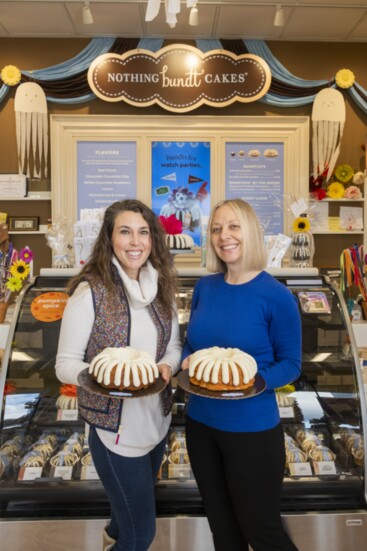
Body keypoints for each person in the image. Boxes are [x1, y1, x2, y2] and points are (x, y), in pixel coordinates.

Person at [55, 199, 182, 551]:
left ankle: (110, 538)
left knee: (124, 519)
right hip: (114, 434)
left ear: (153, 239)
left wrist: (166, 367)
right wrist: (113, 375)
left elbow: (173, 348)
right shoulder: (90, 292)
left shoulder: (162, 288)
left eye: (143, 232)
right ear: (109, 239)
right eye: (125, 232)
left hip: (156, 426)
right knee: (141, 535)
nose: (135, 241)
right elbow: (64, 363)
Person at [181, 198, 302, 551]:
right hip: (201, 427)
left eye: (233, 226)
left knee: (263, 534)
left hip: (252, 431)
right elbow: (192, 344)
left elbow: (291, 363)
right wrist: (188, 360)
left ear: (250, 231)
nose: (224, 236)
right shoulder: (205, 286)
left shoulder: (276, 296)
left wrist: (248, 383)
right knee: (224, 533)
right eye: (216, 229)